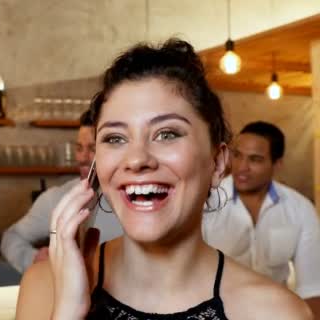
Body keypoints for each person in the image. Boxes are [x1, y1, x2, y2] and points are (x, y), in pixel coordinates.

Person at [16, 39, 312, 319]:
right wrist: (68, 311)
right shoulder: (46, 289)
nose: (136, 159)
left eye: (167, 134)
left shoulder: (276, 312)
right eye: (115, 138)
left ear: (218, 163)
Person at [203, 121, 320, 315]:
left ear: (277, 164)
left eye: (255, 159)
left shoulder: (300, 209)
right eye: (237, 155)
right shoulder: (206, 203)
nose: (242, 167)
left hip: (274, 313)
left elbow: (313, 289)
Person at [1, 110, 123, 273]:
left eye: (92, 149)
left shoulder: (134, 200)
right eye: (79, 148)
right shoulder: (58, 197)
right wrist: (32, 258)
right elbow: (11, 237)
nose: (82, 157)